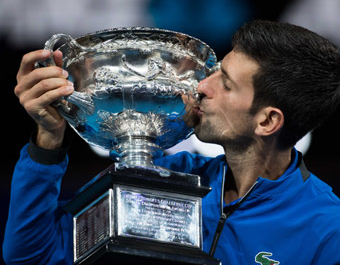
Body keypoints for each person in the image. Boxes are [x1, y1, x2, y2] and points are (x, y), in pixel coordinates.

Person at [3, 20, 340, 264]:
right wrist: (48, 138)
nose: (202, 86)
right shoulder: (166, 176)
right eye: (216, 71)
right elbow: (33, 255)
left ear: (267, 121)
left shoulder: (326, 230)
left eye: (225, 83)